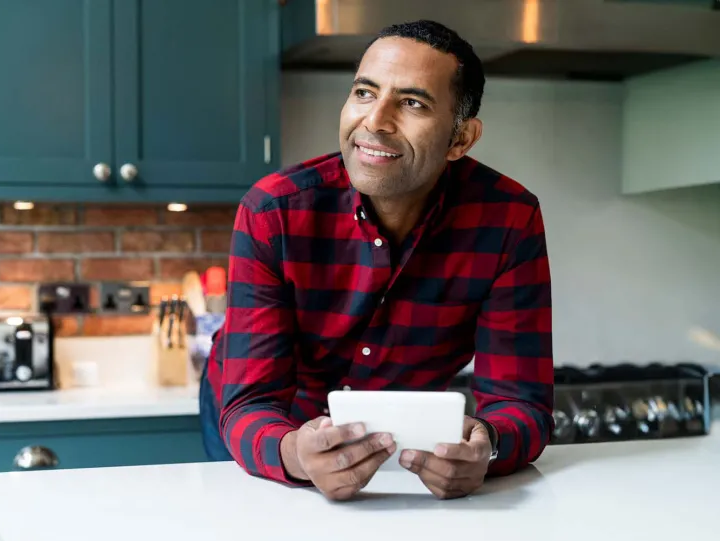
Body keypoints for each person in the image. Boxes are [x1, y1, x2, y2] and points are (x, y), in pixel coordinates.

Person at [197, 19, 554, 500]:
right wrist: (295, 453)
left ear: (461, 139)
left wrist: (486, 447)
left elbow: (520, 403)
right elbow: (249, 404)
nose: (375, 121)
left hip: (397, 438)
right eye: (365, 93)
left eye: (412, 103)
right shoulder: (273, 213)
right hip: (273, 426)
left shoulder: (509, 221)